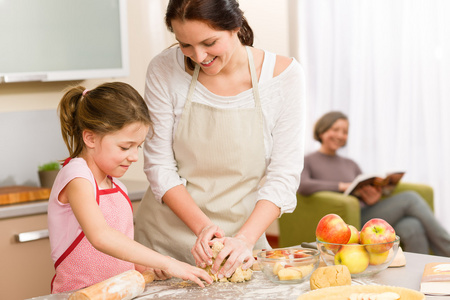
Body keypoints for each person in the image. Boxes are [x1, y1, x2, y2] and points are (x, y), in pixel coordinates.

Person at [134, 0, 305, 281]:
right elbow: (159, 167)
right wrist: (204, 228)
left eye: (209, 42)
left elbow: (283, 176)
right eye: (185, 45)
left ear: (235, 26)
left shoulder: (283, 77)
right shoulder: (164, 69)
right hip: (162, 246)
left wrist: (245, 240)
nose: (198, 56)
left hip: (240, 244)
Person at [47, 82, 212, 294]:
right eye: (125, 147)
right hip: (80, 295)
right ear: (90, 138)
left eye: (138, 147)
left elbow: (117, 252)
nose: (134, 157)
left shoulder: (116, 186)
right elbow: (101, 237)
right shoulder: (77, 178)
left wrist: (146, 266)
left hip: (119, 293)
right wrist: (168, 262)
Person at [298, 111, 450, 256]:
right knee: (410, 198)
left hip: (366, 212)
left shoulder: (350, 163)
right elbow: (303, 185)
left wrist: (373, 197)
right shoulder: (308, 160)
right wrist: (341, 185)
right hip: (347, 222)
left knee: (411, 226)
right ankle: (447, 249)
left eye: (344, 131)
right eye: (335, 129)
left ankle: (424, 273)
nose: (340, 135)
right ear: (321, 131)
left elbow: (362, 188)